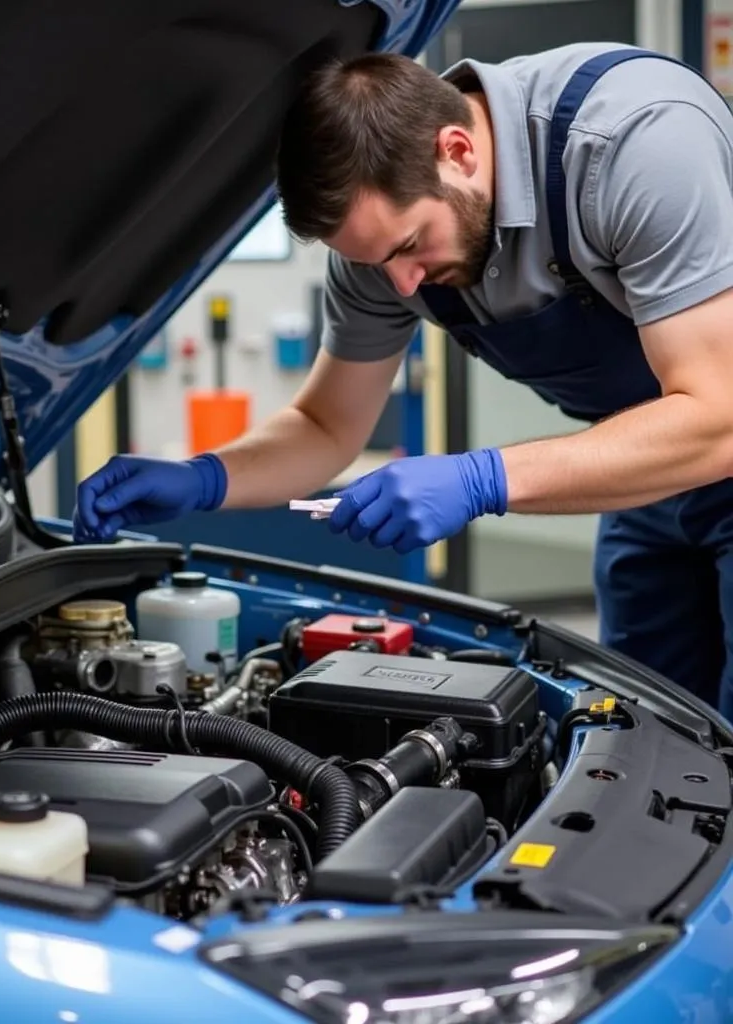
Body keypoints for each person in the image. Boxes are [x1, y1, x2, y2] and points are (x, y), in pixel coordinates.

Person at [72, 41, 733, 717]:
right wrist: (204, 479)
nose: (403, 284)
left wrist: (482, 480)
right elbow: (327, 426)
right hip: (648, 464)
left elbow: (717, 419)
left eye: (410, 246)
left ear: (459, 151)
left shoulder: (634, 143)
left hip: (708, 435)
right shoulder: (379, 252)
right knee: (653, 735)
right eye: (375, 263)